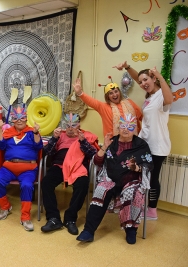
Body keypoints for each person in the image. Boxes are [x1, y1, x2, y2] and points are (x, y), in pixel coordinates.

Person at [77, 114, 154, 244]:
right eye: (123, 126)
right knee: (101, 189)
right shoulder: (112, 142)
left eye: (130, 127)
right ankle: (88, 231)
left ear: (135, 129)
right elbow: (97, 161)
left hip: (131, 180)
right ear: (119, 127)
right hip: (111, 178)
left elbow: (149, 165)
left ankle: (131, 230)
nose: (126, 130)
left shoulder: (141, 145)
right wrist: (104, 146)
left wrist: (136, 168)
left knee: (133, 192)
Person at [114, 62, 173, 220]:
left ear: (154, 78)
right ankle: (129, 201)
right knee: (133, 171)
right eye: (140, 82)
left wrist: (159, 76)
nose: (142, 84)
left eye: (146, 80)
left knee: (152, 177)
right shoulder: (150, 96)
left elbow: (170, 98)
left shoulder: (161, 94)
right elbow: (139, 76)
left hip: (158, 145)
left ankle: (152, 210)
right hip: (144, 144)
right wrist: (128, 68)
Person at [40, 113, 98, 235]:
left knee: (83, 184)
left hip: (77, 168)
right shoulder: (60, 135)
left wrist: (83, 142)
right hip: (60, 166)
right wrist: (54, 139)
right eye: (68, 125)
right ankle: (53, 218)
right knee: (46, 182)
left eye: (74, 125)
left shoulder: (85, 136)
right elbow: (46, 153)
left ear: (79, 125)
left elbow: (93, 155)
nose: (70, 128)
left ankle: (70, 219)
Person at [0, 106, 43, 231]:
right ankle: (5, 207)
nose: (19, 120)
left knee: (26, 185)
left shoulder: (32, 132)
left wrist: (36, 133)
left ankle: (25, 217)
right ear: (12, 120)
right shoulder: (8, 133)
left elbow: (39, 147)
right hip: (9, 167)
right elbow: (0, 145)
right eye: (16, 118)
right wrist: (0, 128)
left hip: (28, 168)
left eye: (22, 118)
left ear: (26, 119)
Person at [72, 77, 142, 137]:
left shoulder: (130, 103)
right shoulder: (104, 107)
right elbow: (91, 101)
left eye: (116, 91)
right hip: (113, 144)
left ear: (119, 92)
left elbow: (142, 117)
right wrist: (80, 93)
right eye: (111, 93)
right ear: (107, 96)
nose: (114, 94)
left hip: (133, 141)